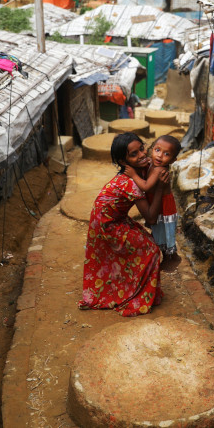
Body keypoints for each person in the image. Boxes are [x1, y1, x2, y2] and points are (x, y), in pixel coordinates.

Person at [78, 133, 164, 316]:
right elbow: (150, 217)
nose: (141, 155)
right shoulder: (130, 182)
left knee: (143, 243)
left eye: (142, 148)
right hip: (107, 223)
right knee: (151, 250)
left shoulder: (138, 172)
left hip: (112, 217)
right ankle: (135, 294)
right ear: (122, 161)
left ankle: (127, 287)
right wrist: (161, 189)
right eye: (133, 154)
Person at [147, 136, 182, 269]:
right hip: (159, 205)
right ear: (152, 149)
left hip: (164, 208)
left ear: (173, 160)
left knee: (163, 233)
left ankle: (171, 258)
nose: (160, 156)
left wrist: (133, 175)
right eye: (157, 150)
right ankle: (171, 257)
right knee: (160, 232)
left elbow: (146, 187)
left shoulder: (160, 170)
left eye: (166, 154)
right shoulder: (153, 164)